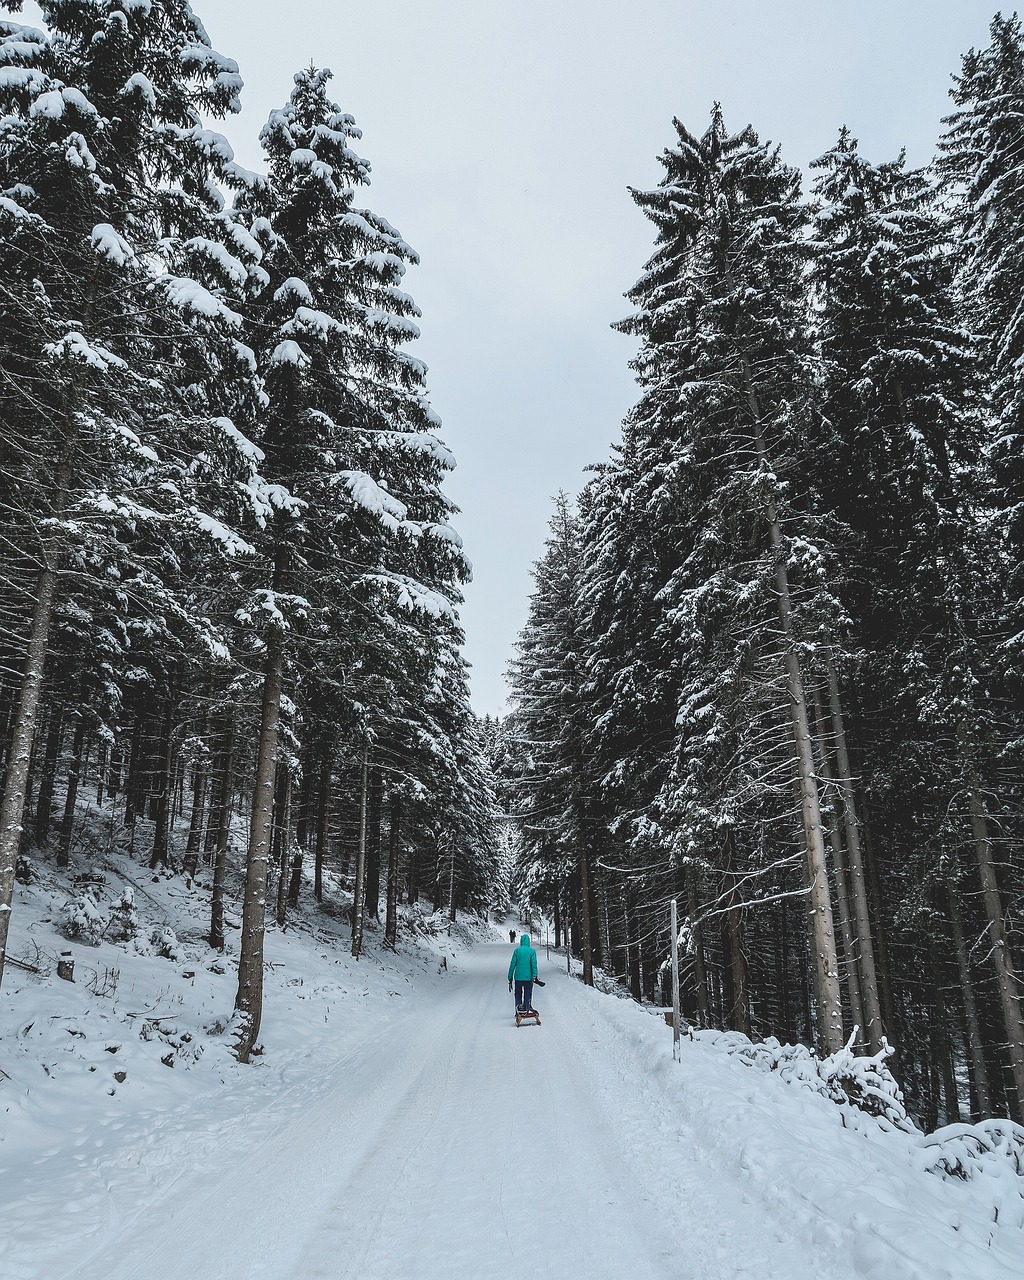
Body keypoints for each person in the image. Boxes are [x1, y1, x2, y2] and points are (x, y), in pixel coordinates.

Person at [507, 932, 539, 1013]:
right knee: (527, 993)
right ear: (528, 942)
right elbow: (534, 964)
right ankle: (526, 1010)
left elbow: (512, 964)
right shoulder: (532, 952)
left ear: (521, 941)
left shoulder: (517, 951)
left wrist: (510, 977)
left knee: (518, 993)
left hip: (518, 977)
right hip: (529, 978)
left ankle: (518, 1010)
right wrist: (535, 975)